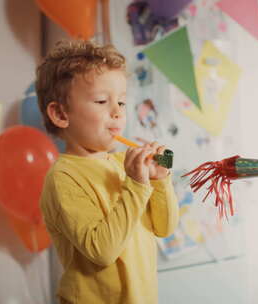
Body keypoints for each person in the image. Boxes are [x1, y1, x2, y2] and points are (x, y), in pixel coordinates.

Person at [36, 40, 179, 304]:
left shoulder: (124, 163)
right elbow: (101, 251)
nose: (117, 113)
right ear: (60, 114)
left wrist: (160, 181)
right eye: (102, 101)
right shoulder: (63, 177)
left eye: (122, 103)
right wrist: (136, 185)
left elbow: (164, 228)